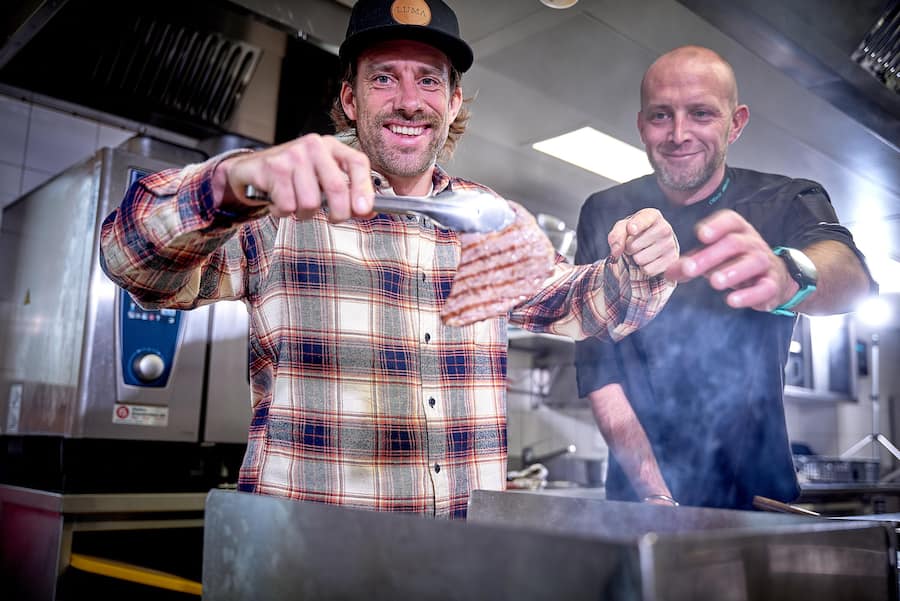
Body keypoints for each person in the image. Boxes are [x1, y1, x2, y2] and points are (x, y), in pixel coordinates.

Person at [99, 0, 678, 519]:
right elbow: (132, 261)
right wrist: (232, 182)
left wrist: (641, 264)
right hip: (311, 568)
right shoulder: (281, 208)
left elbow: (590, 308)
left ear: (453, 103)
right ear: (350, 99)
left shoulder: (489, 220)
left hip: (453, 570)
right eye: (383, 77)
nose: (408, 101)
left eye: (429, 80)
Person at [575, 45, 877, 511]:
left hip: (756, 498)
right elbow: (600, 366)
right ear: (641, 125)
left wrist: (787, 274)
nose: (678, 134)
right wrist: (654, 491)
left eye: (700, 113)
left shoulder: (787, 199)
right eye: (661, 115)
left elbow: (853, 277)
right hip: (637, 501)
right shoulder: (605, 211)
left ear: (735, 123)